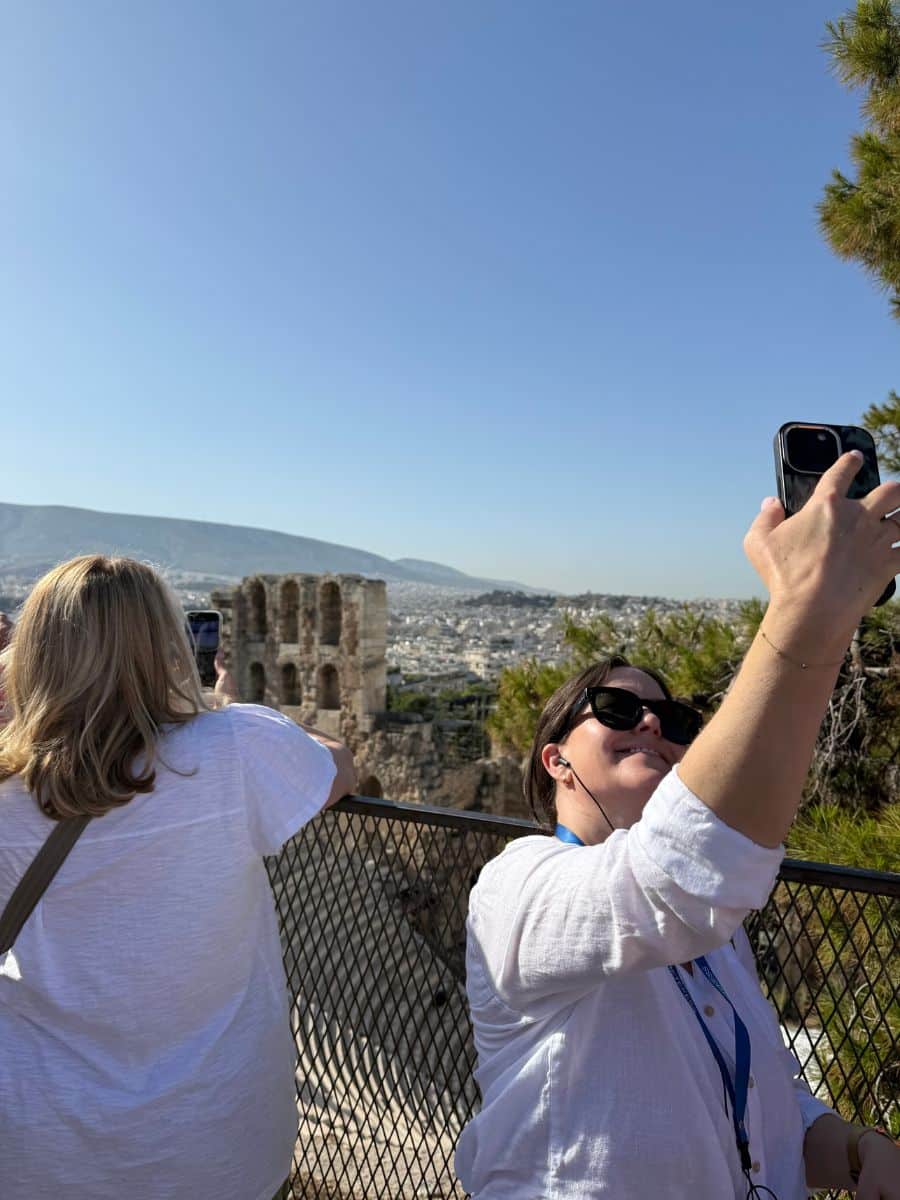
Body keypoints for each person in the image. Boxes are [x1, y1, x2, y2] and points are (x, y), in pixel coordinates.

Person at [455, 452, 900, 1199]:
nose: (653, 721)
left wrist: (857, 1149)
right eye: (620, 713)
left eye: (675, 717)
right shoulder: (513, 888)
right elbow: (672, 878)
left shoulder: (718, 943)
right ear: (556, 761)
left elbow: (758, 1115)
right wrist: (807, 610)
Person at [0, 555, 357, 1200]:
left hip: (38, 1141)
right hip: (214, 1140)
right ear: (164, 645)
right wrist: (222, 709)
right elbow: (339, 767)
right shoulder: (234, 749)